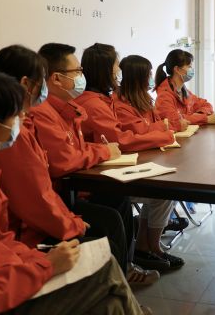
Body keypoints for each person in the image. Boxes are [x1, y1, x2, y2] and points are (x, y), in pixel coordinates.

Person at [0, 70, 145, 315]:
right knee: (106, 268)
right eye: (16, 116)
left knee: (111, 303)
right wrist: (46, 266)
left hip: (12, 273)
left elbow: (0, 243)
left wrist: (39, 261)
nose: (22, 120)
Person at [0, 45, 159, 285]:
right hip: (28, 229)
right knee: (108, 224)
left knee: (115, 208)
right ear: (27, 83)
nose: (81, 75)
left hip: (43, 213)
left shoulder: (47, 114)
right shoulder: (17, 130)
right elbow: (42, 189)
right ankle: (119, 283)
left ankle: (123, 279)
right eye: (77, 71)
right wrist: (71, 224)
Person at [32, 43, 147, 282]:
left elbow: (78, 148)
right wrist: (104, 151)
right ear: (56, 78)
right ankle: (121, 277)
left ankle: (127, 269)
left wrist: (100, 150)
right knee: (111, 216)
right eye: (77, 71)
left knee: (119, 202)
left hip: (69, 192)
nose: (81, 76)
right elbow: (64, 160)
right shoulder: (44, 113)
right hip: (65, 196)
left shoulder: (68, 107)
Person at [75, 46, 185, 271]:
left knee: (162, 190)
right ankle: (144, 249)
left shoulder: (106, 99)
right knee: (163, 190)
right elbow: (123, 139)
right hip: (101, 180)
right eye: (116, 66)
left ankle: (145, 246)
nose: (119, 71)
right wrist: (162, 134)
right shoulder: (98, 103)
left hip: (110, 169)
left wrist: (157, 129)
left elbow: (145, 126)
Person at [154, 49, 215, 132]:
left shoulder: (184, 91)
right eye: (189, 66)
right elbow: (176, 121)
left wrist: (198, 115)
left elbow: (206, 105)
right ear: (177, 69)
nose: (191, 69)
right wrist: (204, 119)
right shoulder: (164, 96)